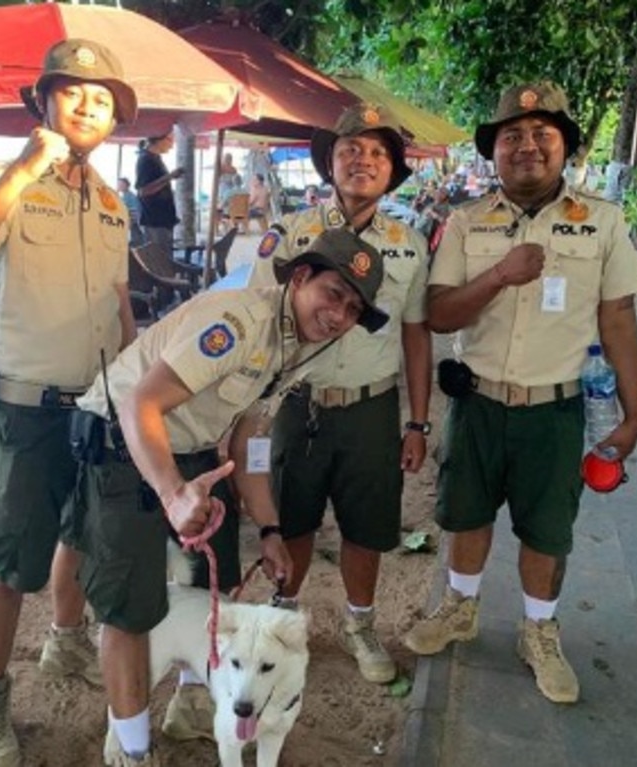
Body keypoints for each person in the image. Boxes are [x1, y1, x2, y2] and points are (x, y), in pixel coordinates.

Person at [71, 228, 389, 766]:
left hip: (193, 448)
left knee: (211, 586)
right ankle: (131, 751)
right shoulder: (240, 322)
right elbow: (139, 406)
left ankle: (193, 704)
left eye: (354, 308)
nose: (338, 315)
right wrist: (173, 495)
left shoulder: (302, 347)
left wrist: (269, 530)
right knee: (130, 609)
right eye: (334, 294)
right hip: (119, 443)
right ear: (302, 277)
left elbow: (249, 437)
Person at [0, 38, 139, 767]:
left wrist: (134, 375)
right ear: (43, 100)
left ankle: (65, 641)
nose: (89, 105)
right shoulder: (6, 181)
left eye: (103, 97)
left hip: (98, 407)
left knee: (79, 534)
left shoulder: (113, 203)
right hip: (26, 408)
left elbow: (118, 310)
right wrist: (22, 168)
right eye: (74, 90)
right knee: (11, 563)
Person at [403, 81, 637, 704]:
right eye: (512, 135)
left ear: (564, 146)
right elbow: (439, 314)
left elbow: (618, 318)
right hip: (478, 403)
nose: (527, 146)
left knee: (547, 530)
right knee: (466, 514)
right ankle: (460, 608)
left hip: (556, 410)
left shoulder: (604, 222)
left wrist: (634, 410)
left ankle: (538, 631)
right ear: (495, 151)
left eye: (543, 134)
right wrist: (499, 275)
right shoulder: (465, 221)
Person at [249, 102, 432, 685]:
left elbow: (415, 333)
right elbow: (259, 321)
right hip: (296, 405)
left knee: (367, 526)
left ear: (391, 171)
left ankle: (360, 625)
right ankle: (280, 625)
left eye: (377, 153)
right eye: (350, 149)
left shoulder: (410, 242)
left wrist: (417, 422)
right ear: (330, 161)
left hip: (372, 409)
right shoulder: (291, 234)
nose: (363, 160)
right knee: (291, 522)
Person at [135, 132, 182, 259]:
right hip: (154, 219)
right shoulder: (146, 160)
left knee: (163, 257)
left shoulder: (154, 158)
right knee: (159, 260)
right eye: (170, 140)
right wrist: (169, 177)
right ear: (160, 139)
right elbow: (144, 191)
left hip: (161, 219)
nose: (171, 145)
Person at [118, 177, 144, 247]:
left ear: (127, 185)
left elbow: (135, 211)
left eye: (121, 184)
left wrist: (131, 222)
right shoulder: (124, 196)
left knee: (135, 244)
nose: (119, 186)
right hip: (128, 224)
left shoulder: (131, 197)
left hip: (133, 224)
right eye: (119, 184)